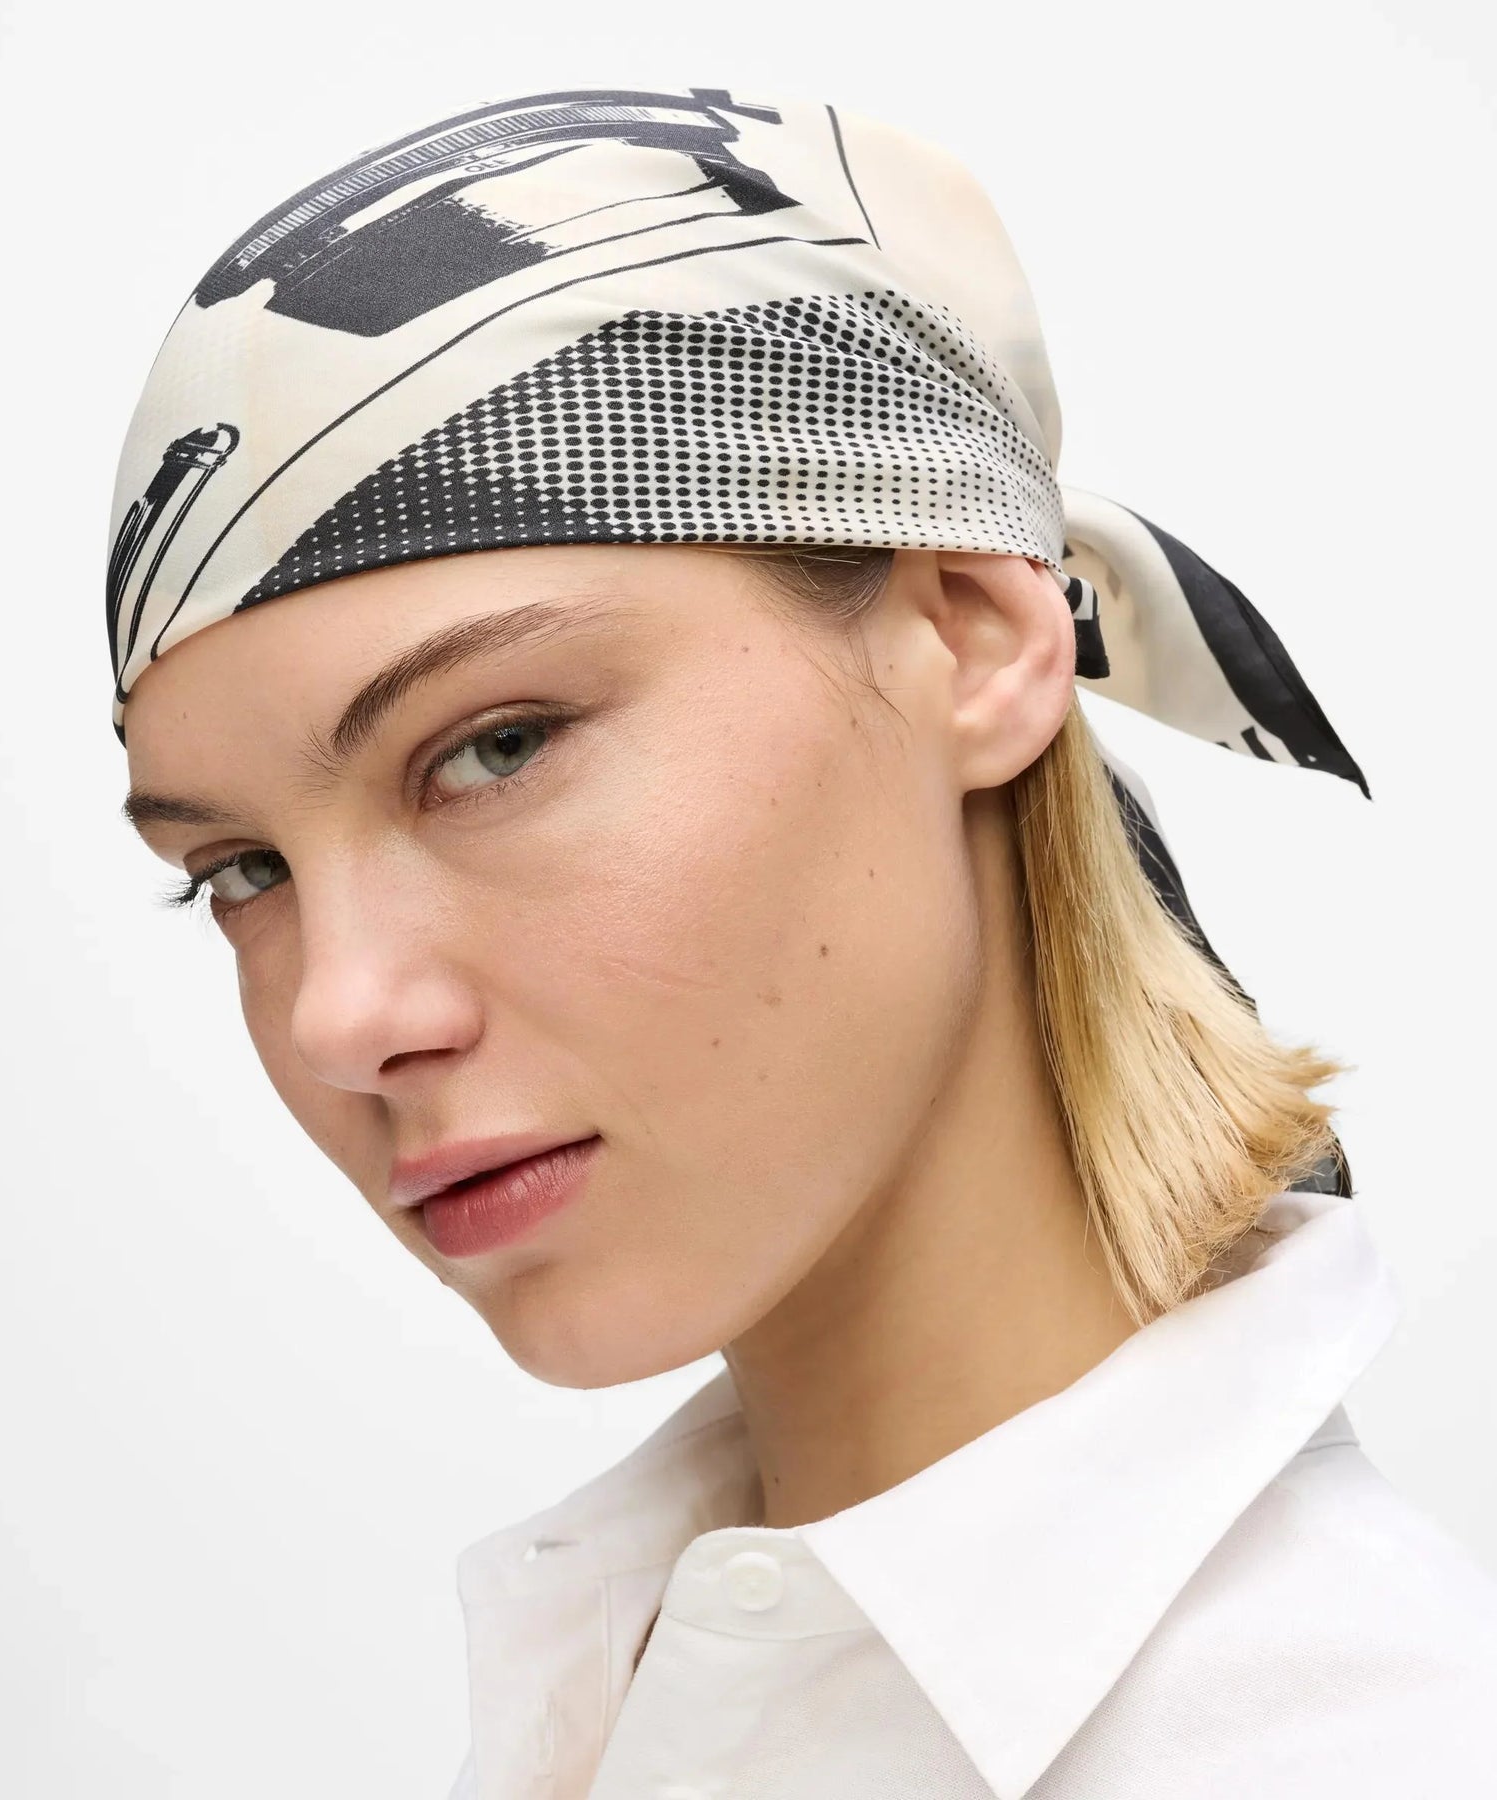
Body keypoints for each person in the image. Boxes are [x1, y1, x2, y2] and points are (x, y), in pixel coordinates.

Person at [105, 85, 1497, 1799]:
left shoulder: (1374, 1754)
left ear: (971, 639)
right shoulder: (609, 1689)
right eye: (241, 869)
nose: (340, 1013)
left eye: (496, 746)